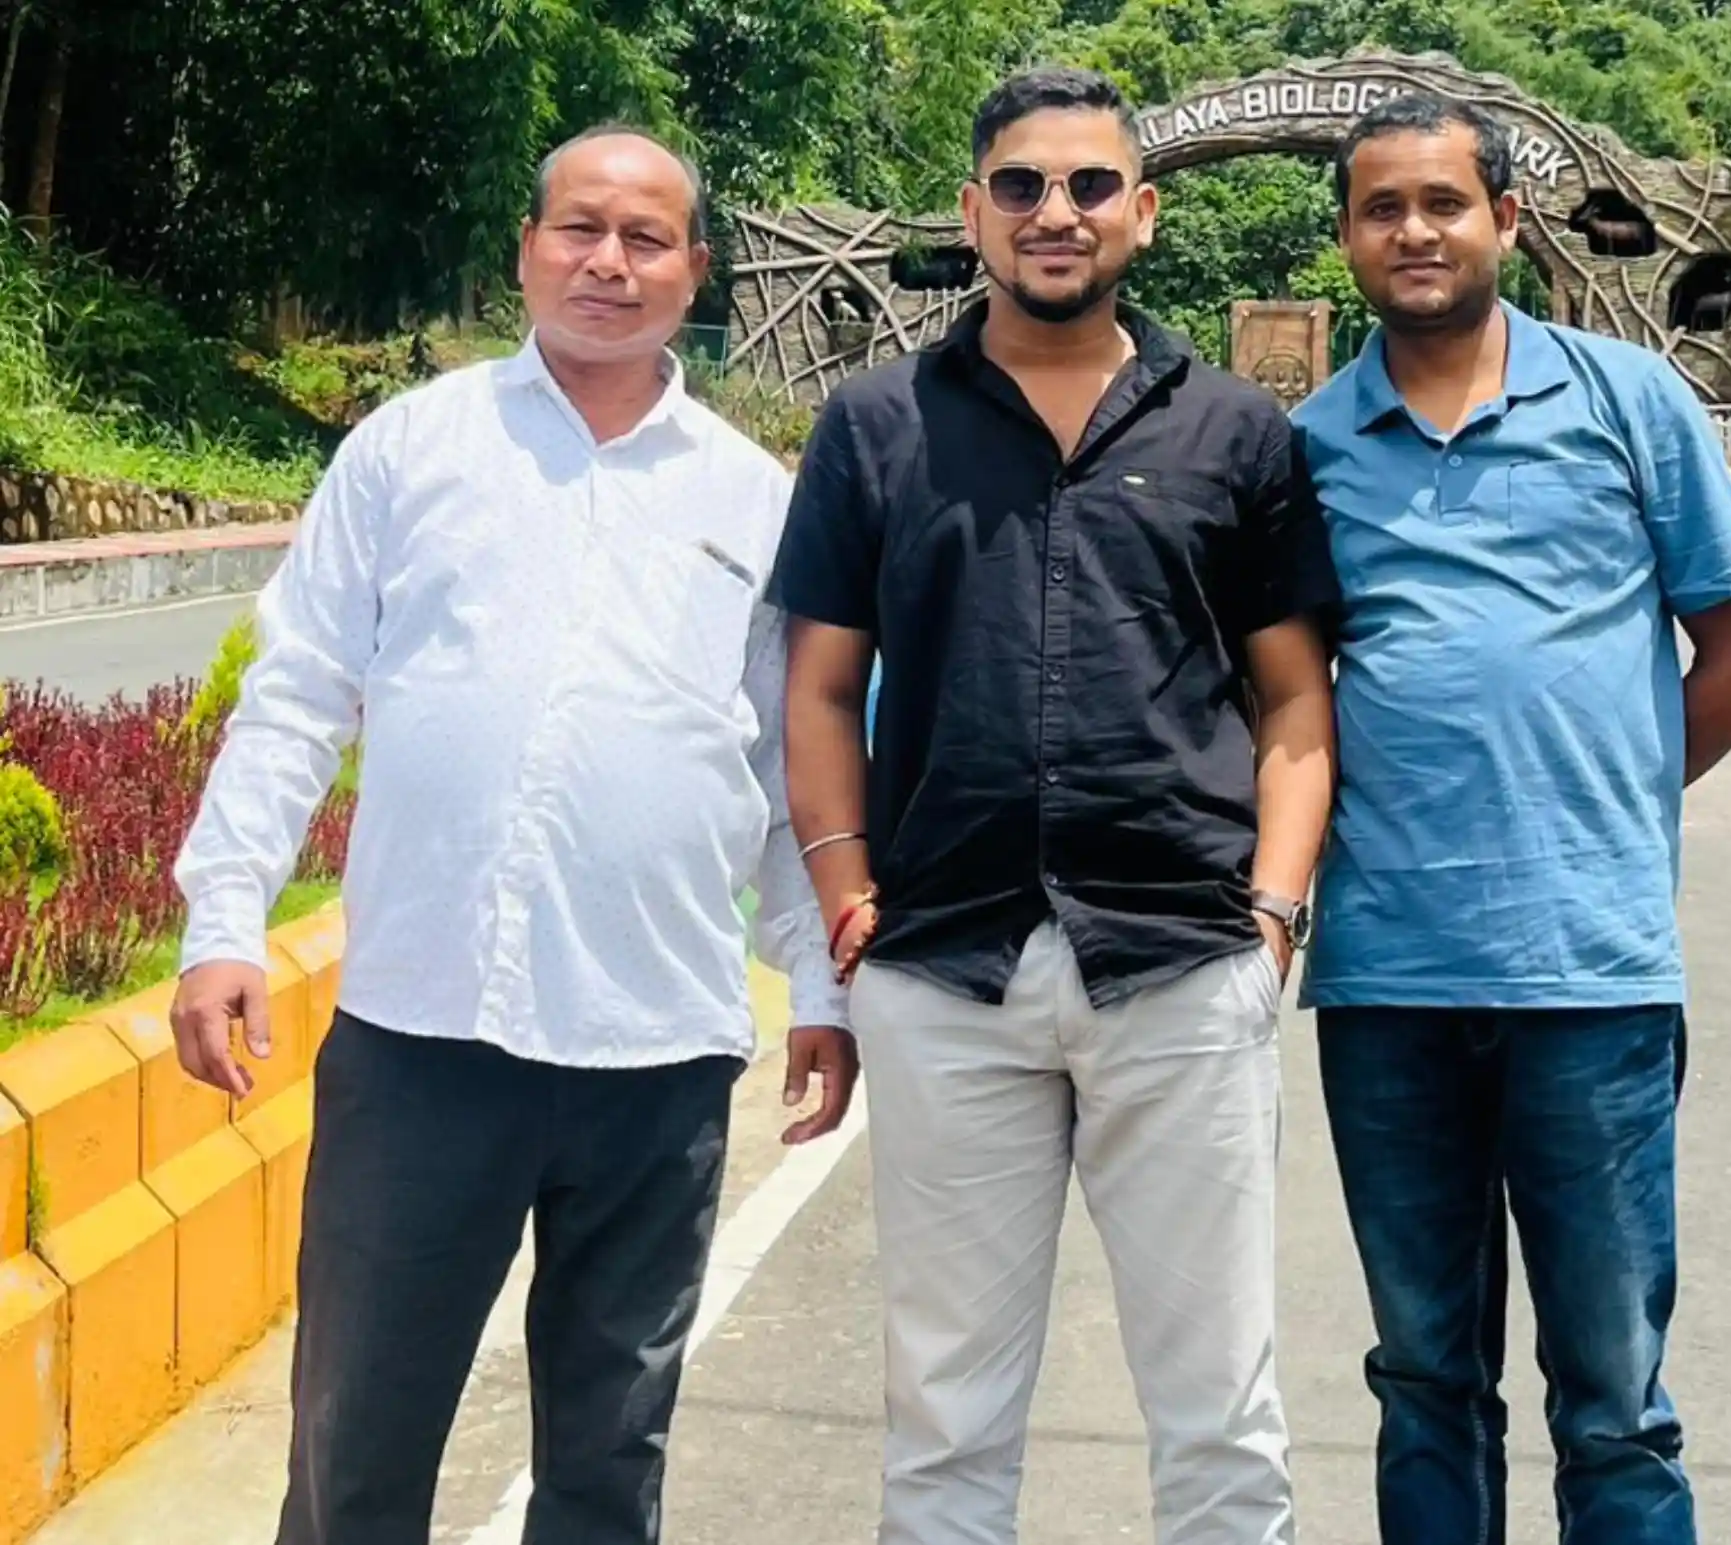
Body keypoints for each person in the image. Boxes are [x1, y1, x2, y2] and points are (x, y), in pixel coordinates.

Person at [168, 124, 858, 1545]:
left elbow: (788, 762)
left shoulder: (755, 498)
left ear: (696, 270)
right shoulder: (413, 447)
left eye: (646, 238)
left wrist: (822, 985)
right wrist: (224, 919)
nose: (609, 262)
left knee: (608, 1463)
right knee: (359, 1445)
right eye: (580, 229)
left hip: (658, 1052)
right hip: (424, 1040)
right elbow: (298, 692)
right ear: (528, 249)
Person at [773, 65, 1338, 1545]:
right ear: (974, 212)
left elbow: (1294, 701)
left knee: (1221, 1416)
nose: (1055, 212)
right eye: (1021, 185)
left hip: (1182, 961)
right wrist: (840, 885)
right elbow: (822, 685)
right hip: (947, 967)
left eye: (1090, 185)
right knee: (945, 1421)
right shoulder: (878, 425)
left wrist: (1274, 916)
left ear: (1142, 214)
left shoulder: (1234, 433)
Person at [1290, 92, 1731, 1545]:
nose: (1414, 231)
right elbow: (1287, 701)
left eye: (1443, 203)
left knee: (1616, 1403)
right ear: (1348, 239)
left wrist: (1602, 805)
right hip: (1388, 984)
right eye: (1382, 209)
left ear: (1504, 220)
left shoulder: (1631, 404)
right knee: (1424, 1380)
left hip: (1594, 979)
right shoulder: (1307, 448)